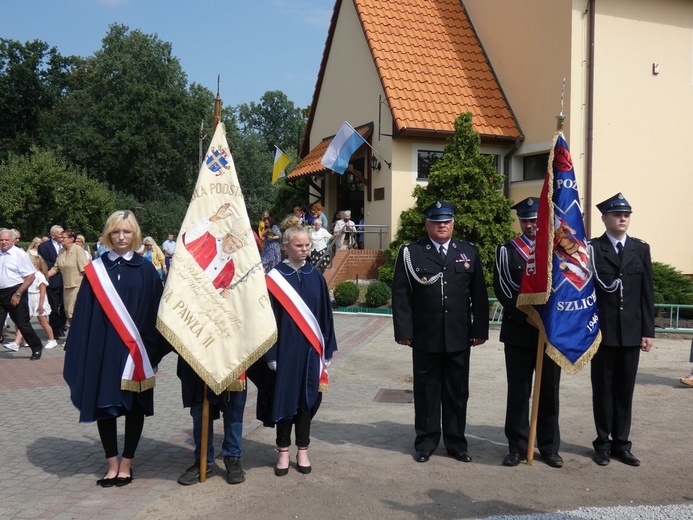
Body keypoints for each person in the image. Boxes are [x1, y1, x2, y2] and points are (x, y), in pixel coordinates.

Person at [63, 210, 167, 487]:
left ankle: (128, 463)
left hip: (137, 354)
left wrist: (152, 355)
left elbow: (156, 314)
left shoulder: (146, 269)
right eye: (116, 232)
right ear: (108, 234)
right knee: (103, 406)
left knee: (134, 408)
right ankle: (111, 462)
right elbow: (85, 315)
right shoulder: (96, 270)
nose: (121, 237)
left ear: (135, 235)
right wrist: (84, 352)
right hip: (104, 352)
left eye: (127, 232)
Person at [392, 201, 489, 463]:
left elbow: (479, 294)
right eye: (436, 221)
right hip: (425, 335)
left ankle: (457, 443)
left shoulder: (468, 252)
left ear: (453, 223)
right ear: (427, 225)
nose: (442, 225)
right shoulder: (412, 253)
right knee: (426, 391)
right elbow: (401, 294)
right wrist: (404, 330)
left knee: (457, 392)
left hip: (459, 335)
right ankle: (426, 441)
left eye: (446, 221)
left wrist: (480, 329)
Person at [493, 197, 562, 468]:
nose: (531, 224)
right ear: (520, 222)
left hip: (551, 334)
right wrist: (529, 316)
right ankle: (517, 446)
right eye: (526, 220)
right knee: (519, 392)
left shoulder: (557, 252)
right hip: (520, 332)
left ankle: (549, 447)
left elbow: (565, 289)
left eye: (536, 219)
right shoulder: (507, 251)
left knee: (549, 392)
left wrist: (549, 319)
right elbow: (504, 288)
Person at [264, 224, 337, 476]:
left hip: (310, 352)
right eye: (299, 245)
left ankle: (303, 449)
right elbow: (268, 319)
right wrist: (271, 354)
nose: (305, 249)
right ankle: (283, 451)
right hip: (285, 351)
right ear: (286, 246)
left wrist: (327, 349)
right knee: (284, 399)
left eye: (307, 245)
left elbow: (325, 316)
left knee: (307, 399)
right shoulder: (274, 278)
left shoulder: (315, 276)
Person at [590, 193, 654, 467]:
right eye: (617, 214)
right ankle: (602, 444)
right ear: (604, 218)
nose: (623, 218)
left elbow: (646, 293)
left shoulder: (640, 249)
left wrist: (648, 331)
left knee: (625, 390)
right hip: (602, 333)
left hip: (630, 331)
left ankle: (622, 444)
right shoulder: (592, 249)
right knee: (603, 390)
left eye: (626, 214)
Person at [176, 360, 247, 486]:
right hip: (199, 360)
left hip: (231, 358)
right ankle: (204, 461)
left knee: (233, 409)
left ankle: (233, 458)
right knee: (200, 412)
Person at [182, 203, 249, 296]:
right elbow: (192, 232)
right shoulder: (206, 239)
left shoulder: (230, 269)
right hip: (180, 286)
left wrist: (222, 293)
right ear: (226, 236)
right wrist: (215, 218)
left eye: (237, 246)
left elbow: (217, 292)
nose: (233, 247)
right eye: (233, 241)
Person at [0, 229, 45, 360]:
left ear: (13, 241)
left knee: (22, 323)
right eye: (1, 240)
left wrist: (18, 293)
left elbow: (30, 276)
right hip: (1, 292)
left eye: (6, 240)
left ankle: (36, 347)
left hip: (15, 291)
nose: (3, 242)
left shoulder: (19, 254)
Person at [10, 254, 58, 351]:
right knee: (24, 321)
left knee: (43, 322)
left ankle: (52, 340)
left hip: (38, 299)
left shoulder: (40, 276)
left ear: (35, 265)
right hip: (30, 299)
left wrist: (40, 305)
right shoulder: (28, 276)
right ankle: (17, 342)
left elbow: (43, 291)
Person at [48, 230, 89, 326]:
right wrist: (41, 276)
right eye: (60, 237)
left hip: (77, 286)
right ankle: (74, 336)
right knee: (68, 313)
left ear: (71, 239)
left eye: (63, 237)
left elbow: (85, 269)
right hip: (66, 287)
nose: (61, 239)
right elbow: (55, 268)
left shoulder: (78, 250)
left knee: (73, 312)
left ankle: (77, 337)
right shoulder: (61, 251)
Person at [38, 224, 66, 339]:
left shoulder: (66, 246)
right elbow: (43, 262)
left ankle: (61, 326)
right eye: (60, 233)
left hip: (65, 280)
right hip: (53, 279)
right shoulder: (44, 247)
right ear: (53, 235)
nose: (62, 235)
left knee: (65, 305)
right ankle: (55, 329)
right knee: (54, 306)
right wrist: (58, 265)